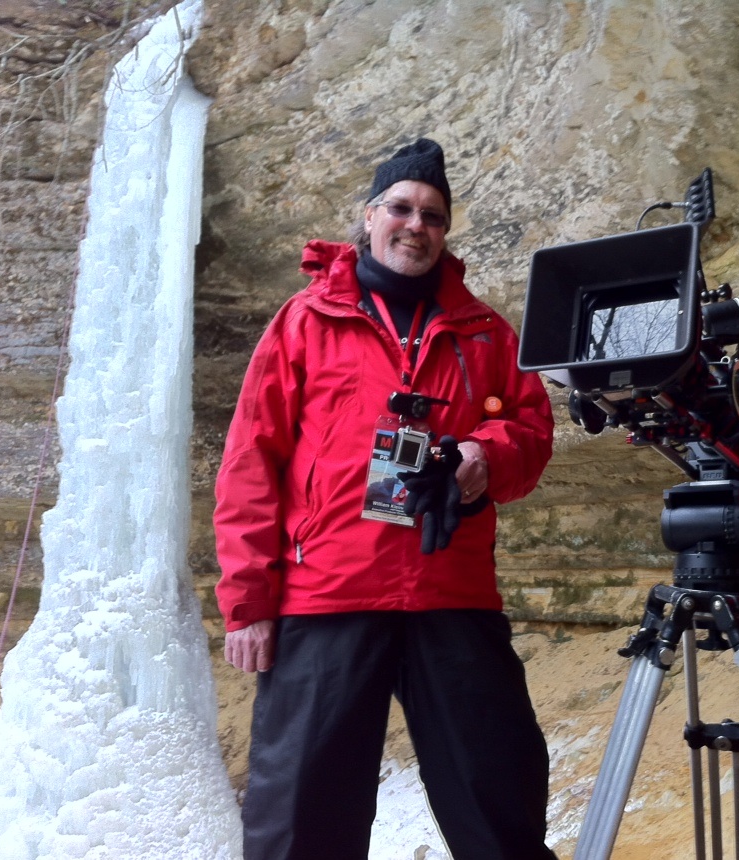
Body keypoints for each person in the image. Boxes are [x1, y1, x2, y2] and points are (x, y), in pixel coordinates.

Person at [213, 137, 558, 860]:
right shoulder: (303, 324)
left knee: (502, 806)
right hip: (327, 596)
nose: (417, 225)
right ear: (368, 217)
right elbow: (251, 464)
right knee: (300, 823)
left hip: (451, 594)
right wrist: (248, 602)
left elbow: (529, 436)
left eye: (433, 215)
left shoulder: (485, 331)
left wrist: (481, 455)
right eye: (401, 208)